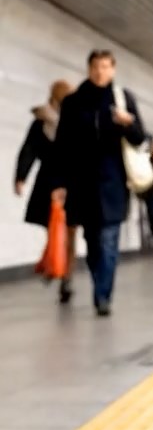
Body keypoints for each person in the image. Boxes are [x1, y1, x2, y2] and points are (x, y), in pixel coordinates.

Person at [52, 49, 146, 316]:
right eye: (96, 66)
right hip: (82, 183)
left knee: (109, 239)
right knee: (93, 241)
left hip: (113, 181)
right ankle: (99, 282)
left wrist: (128, 123)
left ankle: (103, 295)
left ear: (113, 70)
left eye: (105, 67)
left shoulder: (123, 99)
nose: (100, 71)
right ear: (89, 69)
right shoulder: (73, 103)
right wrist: (59, 183)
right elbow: (62, 146)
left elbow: (140, 138)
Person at [14, 80, 76, 302]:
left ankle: (65, 278)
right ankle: (53, 265)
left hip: (71, 181)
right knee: (53, 229)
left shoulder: (76, 120)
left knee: (69, 231)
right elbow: (29, 149)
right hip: (47, 181)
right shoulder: (40, 123)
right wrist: (21, 176)